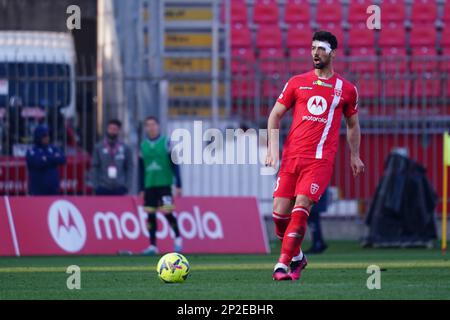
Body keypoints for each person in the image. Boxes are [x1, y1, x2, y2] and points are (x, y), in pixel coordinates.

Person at [266, 31, 365, 281]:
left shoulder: (346, 89)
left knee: (301, 208)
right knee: (279, 215)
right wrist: (272, 149)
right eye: (312, 48)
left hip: (319, 161)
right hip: (291, 158)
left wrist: (355, 155)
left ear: (333, 52)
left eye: (321, 48)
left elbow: (353, 125)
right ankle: (298, 257)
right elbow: (275, 115)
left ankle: (281, 265)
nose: (315, 53)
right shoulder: (297, 82)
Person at [139, 116, 183, 255]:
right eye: (148, 125)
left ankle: (177, 238)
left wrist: (178, 184)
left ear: (158, 126)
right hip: (150, 185)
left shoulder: (166, 142)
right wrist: (141, 188)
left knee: (167, 212)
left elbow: (174, 163)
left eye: (153, 124)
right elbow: (140, 169)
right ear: (146, 128)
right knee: (150, 214)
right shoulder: (143, 146)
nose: (151, 127)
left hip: (164, 184)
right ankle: (152, 245)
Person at [92, 119, 133, 195]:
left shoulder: (125, 148)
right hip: (102, 187)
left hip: (120, 187)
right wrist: (96, 186)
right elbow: (95, 167)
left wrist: (127, 186)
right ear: (107, 129)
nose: (112, 131)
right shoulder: (98, 147)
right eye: (110, 128)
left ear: (118, 131)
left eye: (115, 129)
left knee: (119, 207)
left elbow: (129, 167)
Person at [26, 124, 66, 195]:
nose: (47, 138)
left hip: (53, 190)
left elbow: (63, 159)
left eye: (48, 135)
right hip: (37, 191)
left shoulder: (53, 148)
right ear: (38, 137)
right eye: (44, 136)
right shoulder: (31, 151)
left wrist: (46, 158)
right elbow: (38, 162)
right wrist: (53, 159)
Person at [305, 187, 328, 254]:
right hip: (315, 194)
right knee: (313, 221)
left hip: (314, 195)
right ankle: (319, 242)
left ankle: (317, 244)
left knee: (313, 221)